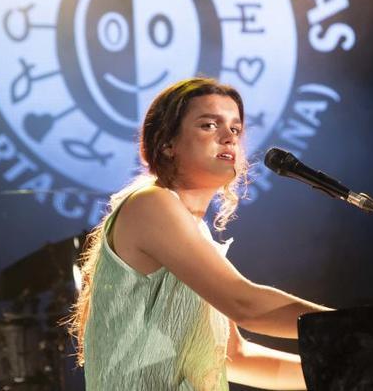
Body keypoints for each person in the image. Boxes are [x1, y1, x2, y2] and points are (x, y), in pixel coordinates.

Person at [69, 78, 330, 390]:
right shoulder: (150, 203)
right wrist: (361, 329)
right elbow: (244, 303)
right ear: (167, 144)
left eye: (235, 129)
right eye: (209, 125)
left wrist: (350, 365)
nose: (228, 138)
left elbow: (237, 356)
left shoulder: (196, 231)